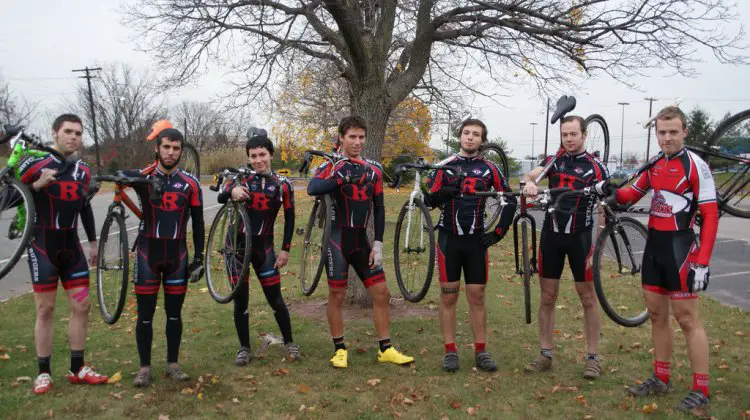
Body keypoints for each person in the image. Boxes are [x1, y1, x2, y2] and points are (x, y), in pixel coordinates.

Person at [597, 106, 718, 413]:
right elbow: (630, 195)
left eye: (673, 132)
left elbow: (711, 215)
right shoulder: (654, 165)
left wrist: (702, 261)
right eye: (662, 133)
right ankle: (661, 378)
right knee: (656, 315)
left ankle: (701, 389)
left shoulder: (696, 166)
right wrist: (611, 193)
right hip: (654, 248)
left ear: (685, 132)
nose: (667, 138)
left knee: (687, 319)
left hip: (681, 249)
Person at [307, 115, 414, 368]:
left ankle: (386, 348)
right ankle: (339, 349)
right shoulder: (332, 165)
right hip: (336, 239)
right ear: (341, 138)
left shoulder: (373, 169)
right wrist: (342, 179)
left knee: (381, 292)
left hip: (360, 241)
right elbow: (313, 187)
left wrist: (378, 243)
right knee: (337, 294)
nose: (357, 142)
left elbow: (378, 207)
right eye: (352, 137)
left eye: (361, 137)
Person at [19, 114, 108, 395]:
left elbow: (84, 207)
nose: (74, 137)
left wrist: (93, 243)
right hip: (43, 247)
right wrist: (35, 186)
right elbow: (6, 198)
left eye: (78, 133)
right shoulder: (34, 163)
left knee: (82, 305)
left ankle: (77, 368)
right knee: (45, 309)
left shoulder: (82, 170)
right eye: (68, 131)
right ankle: (43, 373)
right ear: (55, 132)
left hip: (72, 251)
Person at [424, 118, 516, 372]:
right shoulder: (445, 166)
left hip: (476, 241)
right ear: (460, 137)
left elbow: (509, 199)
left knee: (477, 297)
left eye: (476, 134)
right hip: (449, 239)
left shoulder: (489, 169)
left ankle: (481, 350)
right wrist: (443, 193)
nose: (470, 137)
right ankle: (450, 350)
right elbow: (426, 200)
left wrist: (498, 232)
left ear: (482, 140)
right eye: (466, 133)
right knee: (448, 296)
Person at [521, 115, 609, 379]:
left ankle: (593, 357)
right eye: (564, 135)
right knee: (547, 297)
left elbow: (604, 210)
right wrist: (529, 183)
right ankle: (545, 353)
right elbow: (531, 174)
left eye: (573, 134)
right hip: (552, 236)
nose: (569, 139)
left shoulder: (596, 166)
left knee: (588, 297)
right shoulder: (554, 161)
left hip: (581, 238)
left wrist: (599, 247)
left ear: (584, 135)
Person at [123, 127, 205, 388]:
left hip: (177, 256)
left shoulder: (190, 183)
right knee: (144, 315)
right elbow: (119, 179)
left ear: (182, 151)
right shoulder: (143, 176)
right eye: (166, 147)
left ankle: (173, 364)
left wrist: (199, 258)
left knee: (174, 314)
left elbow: (200, 223)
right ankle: (144, 368)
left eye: (176, 148)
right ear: (157, 148)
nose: (171, 152)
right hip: (148, 253)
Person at [217, 131, 299, 365]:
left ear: (271, 154)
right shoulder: (240, 178)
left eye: (262, 154)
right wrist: (231, 191)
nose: (258, 160)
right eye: (253, 156)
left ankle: (290, 342)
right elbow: (222, 197)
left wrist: (285, 249)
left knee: (276, 299)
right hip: (237, 248)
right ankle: (244, 348)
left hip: (265, 249)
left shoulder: (283, 184)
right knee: (240, 300)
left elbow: (290, 217)